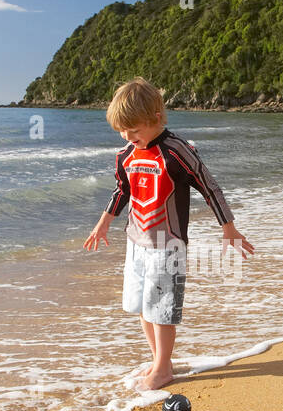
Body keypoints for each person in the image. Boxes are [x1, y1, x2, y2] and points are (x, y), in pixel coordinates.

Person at [83, 78, 254, 391]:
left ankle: (162, 369)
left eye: (134, 129)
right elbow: (123, 189)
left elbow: (209, 186)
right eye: (122, 130)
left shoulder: (177, 152)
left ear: (157, 119)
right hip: (137, 241)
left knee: (162, 309)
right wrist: (105, 220)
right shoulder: (126, 155)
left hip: (168, 245)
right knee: (142, 306)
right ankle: (159, 360)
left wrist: (228, 227)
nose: (127, 136)